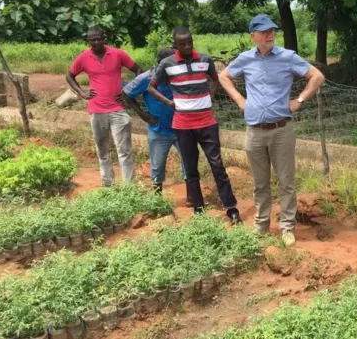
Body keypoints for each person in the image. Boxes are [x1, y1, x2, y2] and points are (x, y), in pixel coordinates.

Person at [219, 14, 325, 247]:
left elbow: (317, 76)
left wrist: (299, 99)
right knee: (260, 183)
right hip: (254, 131)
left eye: (272, 31)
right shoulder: (245, 59)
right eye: (264, 31)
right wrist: (239, 99)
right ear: (253, 36)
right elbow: (224, 76)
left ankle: (287, 227)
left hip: (281, 130)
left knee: (286, 181)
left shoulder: (287, 57)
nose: (270, 35)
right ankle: (261, 225)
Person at [148, 27, 241, 225]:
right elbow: (151, 87)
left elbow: (216, 79)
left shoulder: (205, 60)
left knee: (217, 165)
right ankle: (198, 208)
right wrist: (169, 103)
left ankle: (231, 208)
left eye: (190, 42)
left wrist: (211, 95)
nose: (188, 47)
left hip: (207, 122)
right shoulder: (167, 64)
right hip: (182, 125)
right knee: (190, 168)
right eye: (182, 44)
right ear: (176, 45)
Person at [66, 27, 141, 186]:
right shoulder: (84, 58)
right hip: (96, 110)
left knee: (124, 151)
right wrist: (81, 92)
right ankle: (108, 186)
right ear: (88, 41)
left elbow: (138, 70)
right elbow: (69, 75)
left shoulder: (118, 54)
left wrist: (129, 91)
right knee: (102, 151)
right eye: (92, 40)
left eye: (99, 39)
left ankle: (129, 188)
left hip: (118, 110)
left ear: (103, 38)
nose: (96, 42)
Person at [121, 48, 188, 196]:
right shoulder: (146, 78)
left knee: (189, 163)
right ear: (161, 64)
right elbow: (126, 92)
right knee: (157, 165)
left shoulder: (179, 75)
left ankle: (192, 197)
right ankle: (157, 200)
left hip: (182, 127)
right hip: (159, 129)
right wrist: (142, 114)